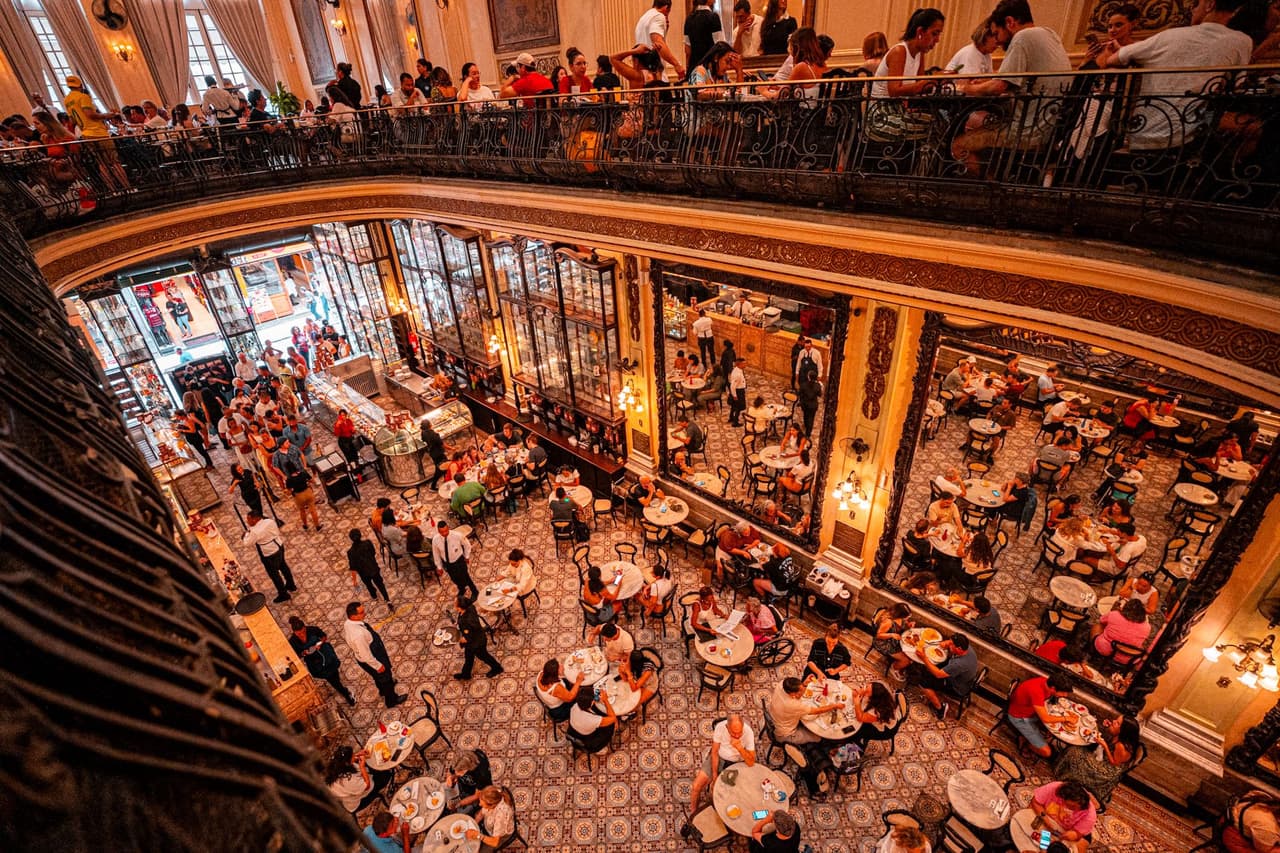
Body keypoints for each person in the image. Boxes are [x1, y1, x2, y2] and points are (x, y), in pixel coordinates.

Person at [1097, 0, 1252, 151]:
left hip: (1144, 131)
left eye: (1196, 4)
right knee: (1252, 126)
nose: (1193, 10)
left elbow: (1113, 59)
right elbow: (1237, 86)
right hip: (1188, 135)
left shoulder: (1168, 36)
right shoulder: (1242, 41)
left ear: (1210, 4)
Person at [1054, 714, 1142, 804]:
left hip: (1108, 770)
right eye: (1116, 720)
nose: (1114, 721)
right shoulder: (1119, 736)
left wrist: (1105, 746)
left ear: (1123, 730)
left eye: (1117, 723)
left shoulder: (1122, 746)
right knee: (1076, 749)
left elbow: (1115, 763)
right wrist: (1108, 727)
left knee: (1075, 752)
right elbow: (1110, 737)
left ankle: (1067, 777)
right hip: (1104, 757)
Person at [689, 712, 756, 814]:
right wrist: (714, 776)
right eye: (734, 733)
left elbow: (751, 762)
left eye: (740, 732)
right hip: (719, 758)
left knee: (726, 794)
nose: (737, 736)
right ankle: (693, 813)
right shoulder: (720, 727)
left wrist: (739, 748)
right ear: (727, 727)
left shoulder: (748, 733)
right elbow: (715, 752)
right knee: (696, 786)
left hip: (736, 764)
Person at [342, 602, 407, 707]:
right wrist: (378, 665)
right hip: (373, 658)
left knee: (377, 677)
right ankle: (392, 700)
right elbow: (366, 655)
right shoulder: (358, 635)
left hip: (364, 657)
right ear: (353, 616)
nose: (365, 613)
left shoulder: (348, 623)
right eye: (361, 612)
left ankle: (382, 690)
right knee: (386, 678)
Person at [1007, 671, 1076, 758]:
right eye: (1063, 692)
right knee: (1047, 753)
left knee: (1054, 726)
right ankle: (1024, 742)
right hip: (1019, 718)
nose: (1065, 695)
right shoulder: (1036, 691)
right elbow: (1046, 719)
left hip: (1031, 712)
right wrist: (1067, 718)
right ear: (1053, 688)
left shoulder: (1046, 682)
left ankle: (1031, 738)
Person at [288, 616, 354, 705]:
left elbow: (324, 636)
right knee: (330, 678)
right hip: (314, 662)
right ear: (294, 632)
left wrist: (320, 643)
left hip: (325, 654)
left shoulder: (312, 630)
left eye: (303, 632)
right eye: (299, 634)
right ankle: (344, 692)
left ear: (305, 628)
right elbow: (296, 655)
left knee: (334, 673)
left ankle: (342, 689)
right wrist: (303, 653)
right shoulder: (292, 641)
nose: (302, 635)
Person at [914, 632, 979, 719]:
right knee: (933, 666)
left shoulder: (958, 664)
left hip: (956, 687)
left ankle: (940, 708)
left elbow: (938, 674)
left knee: (924, 682)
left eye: (951, 645)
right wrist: (947, 643)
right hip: (966, 679)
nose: (949, 645)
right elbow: (952, 644)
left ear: (959, 648)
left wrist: (924, 658)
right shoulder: (966, 647)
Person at [768, 676, 845, 744]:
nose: (803, 691)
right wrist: (834, 706)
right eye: (800, 691)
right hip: (785, 735)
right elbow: (818, 711)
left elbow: (797, 696)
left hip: (774, 718)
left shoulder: (782, 684)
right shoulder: (792, 704)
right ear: (793, 694)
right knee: (818, 737)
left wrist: (804, 684)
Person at [242, 511, 296, 603]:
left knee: (274, 574)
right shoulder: (269, 521)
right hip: (279, 545)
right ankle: (291, 585)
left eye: (248, 519)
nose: (247, 521)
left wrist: (246, 534)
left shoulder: (255, 531)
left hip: (269, 553)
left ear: (255, 519)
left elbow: (247, 543)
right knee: (283, 566)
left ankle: (283, 594)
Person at [325, 745, 391, 813]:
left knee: (372, 766)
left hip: (353, 787)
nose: (354, 756)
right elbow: (367, 786)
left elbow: (349, 760)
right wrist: (362, 767)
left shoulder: (337, 766)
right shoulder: (348, 781)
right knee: (386, 775)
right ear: (347, 763)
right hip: (357, 802)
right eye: (352, 756)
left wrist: (358, 754)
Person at [1031, 780, 1097, 847]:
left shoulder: (1090, 815)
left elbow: (1078, 834)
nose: (1066, 807)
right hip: (1046, 817)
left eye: (1072, 807)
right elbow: (1035, 802)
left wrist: (1073, 835)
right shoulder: (1055, 787)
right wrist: (1045, 818)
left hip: (1068, 830)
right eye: (1065, 803)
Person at [455, 593, 503, 680]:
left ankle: (497, 668)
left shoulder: (465, 622)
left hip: (476, 643)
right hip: (479, 636)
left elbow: (467, 638)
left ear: (459, 608)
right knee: (469, 657)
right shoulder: (470, 607)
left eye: (456, 603)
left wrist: (458, 639)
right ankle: (466, 674)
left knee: (484, 656)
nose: (454, 603)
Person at [1092, 597, 1152, 663]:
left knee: (1098, 626)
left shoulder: (1114, 614)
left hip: (1106, 650)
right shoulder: (1147, 627)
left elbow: (1102, 620)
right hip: (1129, 658)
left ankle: (1092, 651)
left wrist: (1112, 612)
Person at [635, 0, 685, 80]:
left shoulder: (644, 17)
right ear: (666, 7)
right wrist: (676, 64)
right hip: (655, 72)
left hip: (643, 71)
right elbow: (658, 43)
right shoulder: (658, 16)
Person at [433, 520, 478, 599]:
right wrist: (439, 567)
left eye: (446, 531)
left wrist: (466, 556)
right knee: (454, 579)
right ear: (438, 531)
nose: (444, 533)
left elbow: (467, 545)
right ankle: (462, 589)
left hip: (459, 561)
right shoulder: (435, 540)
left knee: (466, 577)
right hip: (448, 564)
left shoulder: (457, 535)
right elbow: (436, 554)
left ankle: (475, 592)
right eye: (442, 532)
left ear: (448, 528)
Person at [462, 786, 517, 850]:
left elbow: (495, 842)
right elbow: (482, 812)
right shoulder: (493, 796)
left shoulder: (501, 815)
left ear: (492, 805)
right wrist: (474, 823)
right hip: (489, 828)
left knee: (479, 850)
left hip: (500, 837)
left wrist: (478, 835)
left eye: (482, 804)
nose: (479, 804)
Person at [347, 528, 391, 605]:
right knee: (380, 584)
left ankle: (374, 596)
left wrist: (354, 581)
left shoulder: (350, 552)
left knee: (368, 585)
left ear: (351, 539)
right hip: (373, 568)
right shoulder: (368, 543)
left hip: (363, 573)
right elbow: (373, 553)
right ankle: (387, 600)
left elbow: (353, 567)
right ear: (360, 535)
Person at [569, 687, 617, 752]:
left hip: (574, 731)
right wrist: (606, 700)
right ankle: (601, 746)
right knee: (611, 725)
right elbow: (613, 718)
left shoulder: (575, 706)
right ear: (591, 702)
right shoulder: (591, 719)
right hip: (588, 740)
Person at [875, 602, 916, 675]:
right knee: (906, 660)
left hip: (895, 640)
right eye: (907, 617)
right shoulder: (888, 622)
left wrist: (909, 624)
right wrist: (892, 635)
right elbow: (878, 635)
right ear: (901, 615)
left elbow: (905, 622)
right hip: (884, 643)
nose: (907, 618)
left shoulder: (900, 617)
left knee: (912, 654)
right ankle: (894, 668)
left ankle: (899, 664)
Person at [684, 0, 723, 71]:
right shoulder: (713, 17)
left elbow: (687, 49)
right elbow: (718, 45)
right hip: (708, 65)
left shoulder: (689, 19)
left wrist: (687, 66)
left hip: (694, 66)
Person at [796, 369, 822, 437]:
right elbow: (820, 394)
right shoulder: (818, 385)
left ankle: (806, 426)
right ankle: (808, 433)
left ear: (809, 377)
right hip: (813, 405)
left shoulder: (803, 385)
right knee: (811, 418)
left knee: (806, 416)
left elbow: (799, 393)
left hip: (805, 404)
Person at [728, 357, 748, 427]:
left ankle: (731, 417)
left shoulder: (738, 370)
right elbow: (732, 386)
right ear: (739, 364)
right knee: (738, 407)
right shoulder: (737, 374)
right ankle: (735, 422)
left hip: (738, 391)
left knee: (734, 406)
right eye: (744, 363)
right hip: (738, 392)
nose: (745, 365)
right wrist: (735, 395)